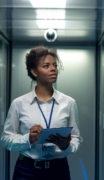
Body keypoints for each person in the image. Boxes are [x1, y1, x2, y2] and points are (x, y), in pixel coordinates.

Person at [0, 46, 83, 180]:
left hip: (58, 170)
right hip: (27, 170)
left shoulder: (69, 103)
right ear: (34, 71)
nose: (53, 69)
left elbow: (76, 139)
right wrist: (28, 139)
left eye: (55, 65)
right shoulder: (19, 103)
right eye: (46, 66)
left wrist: (66, 145)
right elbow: (6, 139)